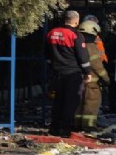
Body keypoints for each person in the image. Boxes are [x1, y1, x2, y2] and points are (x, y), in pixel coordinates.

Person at [46, 10, 91, 138]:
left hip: (56, 72)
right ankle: (65, 130)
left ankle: (54, 128)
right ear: (76, 21)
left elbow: (47, 53)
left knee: (58, 101)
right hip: (72, 73)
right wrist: (87, 72)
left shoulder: (52, 32)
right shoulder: (75, 35)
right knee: (71, 102)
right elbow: (82, 56)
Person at [74, 20, 110, 131]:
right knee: (91, 103)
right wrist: (106, 79)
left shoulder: (77, 44)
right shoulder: (91, 46)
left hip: (79, 79)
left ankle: (77, 124)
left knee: (79, 103)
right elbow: (97, 65)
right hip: (92, 82)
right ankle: (88, 126)